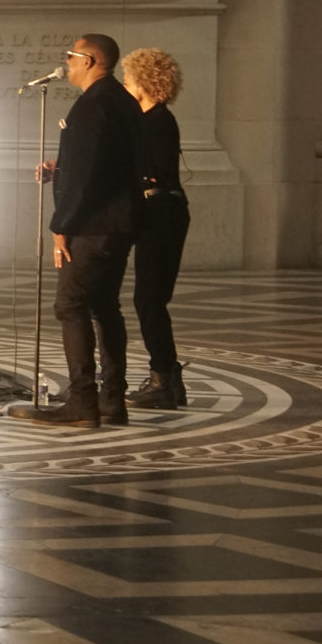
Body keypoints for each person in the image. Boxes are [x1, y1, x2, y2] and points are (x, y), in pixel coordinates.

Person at [26, 34, 141, 427]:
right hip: (120, 222)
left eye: (72, 56)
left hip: (92, 225)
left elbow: (89, 178)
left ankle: (82, 402)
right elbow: (106, 162)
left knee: (69, 305)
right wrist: (61, 167)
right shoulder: (122, 100)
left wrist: (61, 226)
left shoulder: (93, 106)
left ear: (91, 60)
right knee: (105, 307)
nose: (67, 62)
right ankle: (113, 399)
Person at [120, 47, 189, 411]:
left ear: (144, 83)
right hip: (159, 211)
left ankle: (164, 379)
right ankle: (168, 378)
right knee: (149, 299)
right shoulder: (149, 121)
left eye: (129, 79)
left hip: (163, 213)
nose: (126, 85)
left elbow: (149, 171)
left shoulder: (157, 122)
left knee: (149, 300)